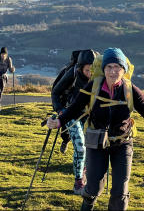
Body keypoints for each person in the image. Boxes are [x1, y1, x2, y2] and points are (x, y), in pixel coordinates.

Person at [47, 48, 144, 211]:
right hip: (96, 142)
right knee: (93, 188)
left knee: (120, 190)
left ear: (123, 69)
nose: (113, 71)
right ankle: (87, 204)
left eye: (117, 67)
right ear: (103, 69)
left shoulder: (130, 89)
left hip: (122, 142)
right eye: (109, 67)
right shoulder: (93, 86)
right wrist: (59, 121)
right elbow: (74, 108)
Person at [51, 49, 98, 194]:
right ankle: (78, 181)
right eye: (87, 70)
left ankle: (84, 171)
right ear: (80, 67)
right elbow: (55, 92)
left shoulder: (99, 76)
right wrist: (60, 110)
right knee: (80, 147)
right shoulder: (72, 73)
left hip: (90, 116)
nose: (90, 73)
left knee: (91, 148)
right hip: (71, 115)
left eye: (92, 70)